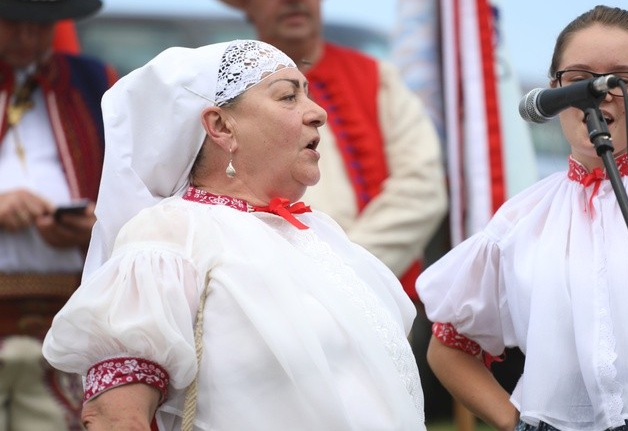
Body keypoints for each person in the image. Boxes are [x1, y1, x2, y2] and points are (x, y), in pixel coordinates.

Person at [42, 39, 426, 430]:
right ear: (221, 126)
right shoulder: (172, 234)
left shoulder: (317, 232)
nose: (318, 113)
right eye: (288, 97)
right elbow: (114, 416)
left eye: (307, 94)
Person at [417, 5, 628, 431]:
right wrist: (515, 423)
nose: (599, 93)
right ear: (554, 91)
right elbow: (448, 346)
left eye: (621, 81)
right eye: (579, 79)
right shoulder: (521, 219)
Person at [203, 0, 447, 305]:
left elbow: (422, 188)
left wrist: (339, 270)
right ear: (246, 1)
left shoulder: (375, 76)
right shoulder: (216, 89)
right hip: (262, 297)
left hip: (375, 298)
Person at [0, 0, 117, 429]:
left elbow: (134, 192)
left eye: (41, 24)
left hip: (65, 326)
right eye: (13, 21)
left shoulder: (94, 83)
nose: (28, 37)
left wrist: (95, 225)